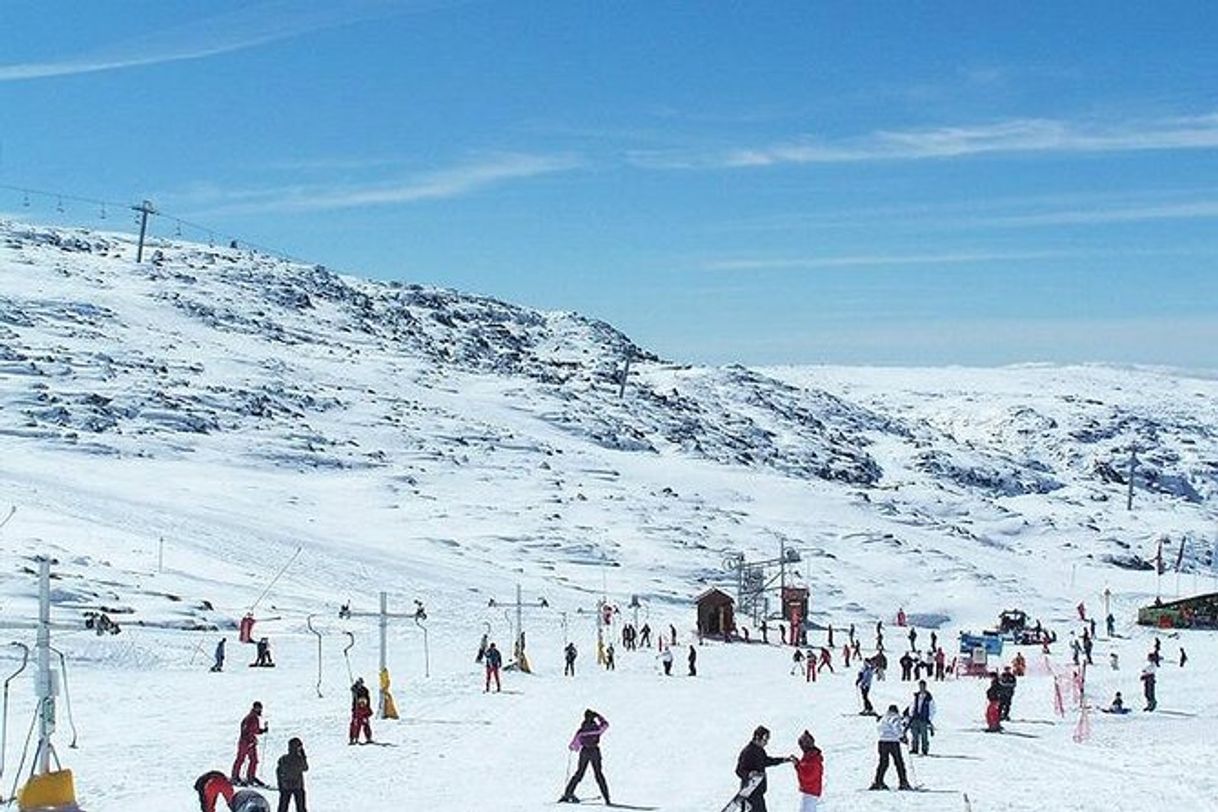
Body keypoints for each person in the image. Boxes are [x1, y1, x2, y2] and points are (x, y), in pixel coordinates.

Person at [735, 725, 795, 812]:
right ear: (757, 737)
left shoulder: (760, 750)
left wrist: (784, 760)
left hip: (758, 793)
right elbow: (739, 770)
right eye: (765, 739)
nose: (766, 742)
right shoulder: (747, 752)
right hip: (749, 793)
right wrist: (749, 774)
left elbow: (767, 761)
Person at [560, 710, 611, 804]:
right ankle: (607, 798)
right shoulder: (596, 729)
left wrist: (573, 746)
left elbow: (574, 746)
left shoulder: (581, 730)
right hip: (595, 751)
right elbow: (605, 725)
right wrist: (599, 716)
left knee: (579, 773)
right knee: (599, 774)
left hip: (584, 752)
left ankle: (568, 793)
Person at [870, 705, 912, 791]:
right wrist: (902, 737)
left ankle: (878, 781)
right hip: (892, 742)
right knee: (899, 763)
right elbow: (896, 727)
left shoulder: (883, 718)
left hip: (882, 742)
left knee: (883, 763)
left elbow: (879, 728)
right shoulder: (895, 717)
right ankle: (903, 783)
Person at [232, 701, 269, 786]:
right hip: (246, 742)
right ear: (255, 708)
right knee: (241, 759)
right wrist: (249, 740)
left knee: (254, 760)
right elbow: (245, 730)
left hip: (250, 742)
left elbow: (254, 730)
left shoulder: (254, 717)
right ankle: (235, 776)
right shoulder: (251, 718)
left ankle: (250, 776)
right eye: (259, 708)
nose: (260, 710)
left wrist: (262, 730)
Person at [275, 737, 308, 812]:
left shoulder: (283, 759)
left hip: (285, 786)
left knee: (283, 808)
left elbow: (278, 772)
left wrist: (280, 785)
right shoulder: (299, 759)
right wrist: (303, 755)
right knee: (301, 808)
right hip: (298, 786)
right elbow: (305, 768)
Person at [793, 730, 823, 812]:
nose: (801, 748)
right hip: (809, 791)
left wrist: (797, 765)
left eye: (801, 745)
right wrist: (797, 763)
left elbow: (807, 776)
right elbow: (804, 768)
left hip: (811, 792)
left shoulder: (813, 758)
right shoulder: (809, 755)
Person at [906, 680, 935, 756]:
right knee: (914, 734)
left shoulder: (929, 697)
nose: (922, 688)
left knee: (924, 735)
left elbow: (932, 709)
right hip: (915, 717)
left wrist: (929, 719)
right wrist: (911, 714)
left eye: (923, 686)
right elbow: (912, 705)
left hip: (924, 719)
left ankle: (924, 749)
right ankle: (914, 748)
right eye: (920, 686)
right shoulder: (916, 696)